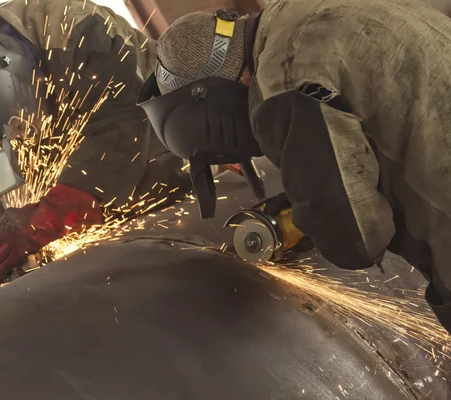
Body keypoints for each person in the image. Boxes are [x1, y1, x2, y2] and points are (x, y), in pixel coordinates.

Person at [137, 2, 451, 331]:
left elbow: (358, 239)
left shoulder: (280, 82)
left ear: (209, 97)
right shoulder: (300, 13)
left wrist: (307, 218)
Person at [0, 0, 189, 300]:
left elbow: (122, 125)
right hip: (91, 222)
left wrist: (48, 217)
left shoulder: (81, 33)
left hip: (166, 166)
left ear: (24, 82)